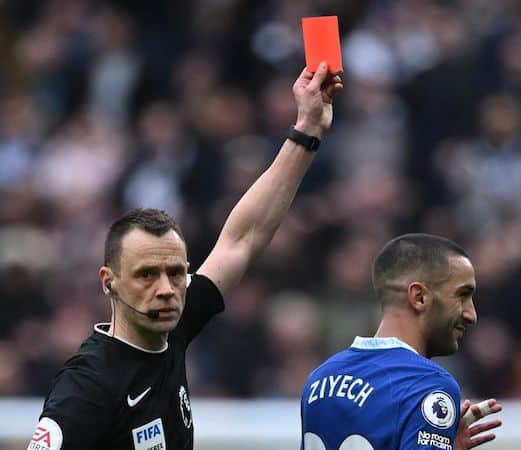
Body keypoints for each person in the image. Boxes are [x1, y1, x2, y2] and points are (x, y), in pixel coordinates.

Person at [26, 62, 343, 450]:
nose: (166, 289)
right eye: (146, 275)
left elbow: (243, 237)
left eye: (176, 273)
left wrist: (308, 130)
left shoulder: (171, 324)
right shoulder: (87, 387)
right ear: (109, 282)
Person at [300, 233, 502, 450]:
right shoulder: (426, 383)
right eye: (462, 295)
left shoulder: (320, 378)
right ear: (419, 297)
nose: (472, 314)